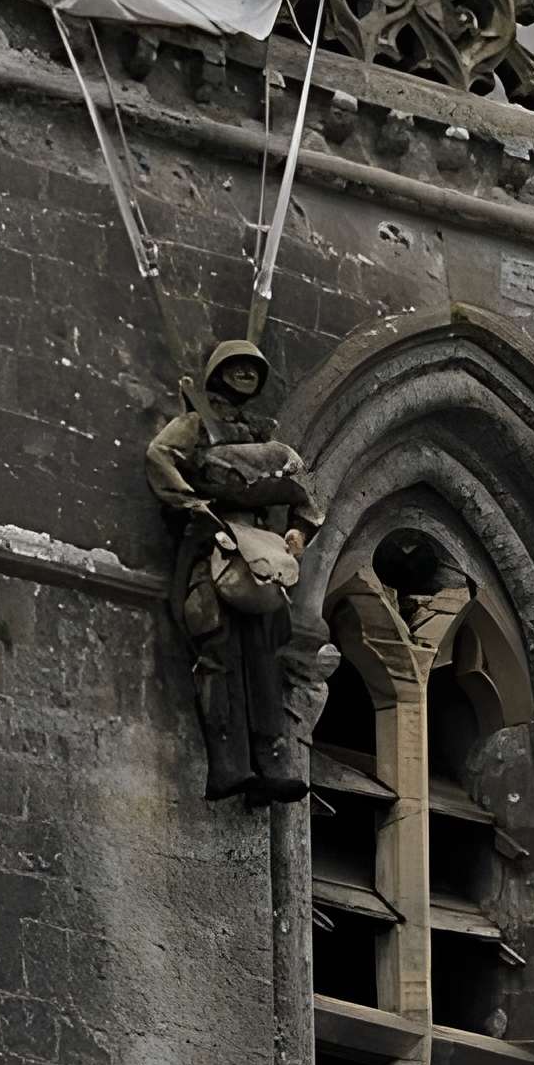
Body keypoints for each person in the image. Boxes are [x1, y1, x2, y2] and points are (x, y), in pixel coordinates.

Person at [145, 339, 324, 800]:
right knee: (218, 649)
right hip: (215, 548)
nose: (245, 374)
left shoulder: (261, 436)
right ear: (218, 372)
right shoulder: (194, 425)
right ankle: (228, 764)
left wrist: (298, 534)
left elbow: (304, 495)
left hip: (260, 556)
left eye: (252, 368)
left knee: (264, 656)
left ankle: (271, 761)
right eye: (236, 366)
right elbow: (160, 458)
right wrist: (195, 506)